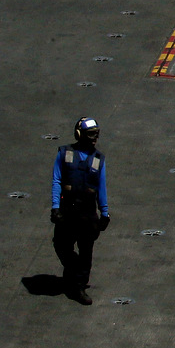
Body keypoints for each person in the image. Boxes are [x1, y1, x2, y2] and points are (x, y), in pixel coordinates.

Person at [50, 117, 109, 305]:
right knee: (61, 244)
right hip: (68, 209)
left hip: (88, 211)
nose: (94, 139)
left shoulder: (98, 159)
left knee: (86, 251)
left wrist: (105, 212)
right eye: (91, 135)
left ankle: (79, 286)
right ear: (79, 134)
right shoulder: (64, 153)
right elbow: (57, 180)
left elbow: (101, 187)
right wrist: (55, 207)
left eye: (96, 135)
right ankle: (73, 270)